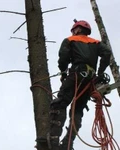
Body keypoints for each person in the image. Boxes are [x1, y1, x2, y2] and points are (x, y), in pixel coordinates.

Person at [48, 20, 111, 150]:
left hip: (76, 74)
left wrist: (64, 72)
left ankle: (53, 140)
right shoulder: (96, 43)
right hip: (90, 80)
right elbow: (107, 53)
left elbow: (63, 57)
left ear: (77, 30)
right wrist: (99, 72)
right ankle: (68, 143)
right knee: (77, 110)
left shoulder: (70, 40)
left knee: (61, 103)